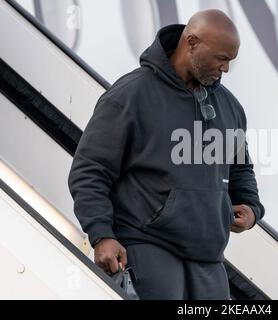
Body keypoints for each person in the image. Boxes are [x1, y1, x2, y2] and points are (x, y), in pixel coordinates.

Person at [68, 9, 264, 300]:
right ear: (192, 43)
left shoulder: (229, 107)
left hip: (209, 263)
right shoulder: (131, 94)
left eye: (230, 61)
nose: (225, 69)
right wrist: (102, 235)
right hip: (146, 251)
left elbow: (240, 170)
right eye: (221, 58)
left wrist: (250, 208)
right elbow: (90, 170)